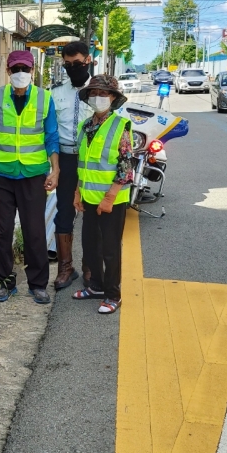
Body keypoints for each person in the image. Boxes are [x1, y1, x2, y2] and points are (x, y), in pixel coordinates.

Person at [0, 49, 60, 305]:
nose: (20, 74)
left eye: (25, 69)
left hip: (33, 173)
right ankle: (4, 282)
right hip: (3, 173)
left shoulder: (44, 98)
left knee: (34, 230)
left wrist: (55, 169)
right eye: (16, 69)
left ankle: (38, 284)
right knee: (3, 231)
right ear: (8, 71)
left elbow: (52, 137)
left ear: (32, 71)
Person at [72, 75, 133, 314]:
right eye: (94, 93)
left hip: (112, 200)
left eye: (104, 94)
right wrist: (77, 191)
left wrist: (109, 198)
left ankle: (113, 295)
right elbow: (83, 163)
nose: (98, 98)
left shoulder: (120, 125)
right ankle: (95, 286)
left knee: (110, 249)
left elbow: (126, 167)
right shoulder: (85, 126)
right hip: (88, 196)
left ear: (114, 98)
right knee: (90, 245)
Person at [51, 41, 94, 290]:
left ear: (88, 60)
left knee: (90, 214)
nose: (72, 68)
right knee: (64, 213)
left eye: (77, 63)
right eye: (67, 65)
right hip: (66, 160)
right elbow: (51, 133)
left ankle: (90, 269)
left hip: (91, 162)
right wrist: (54, 167)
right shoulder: (56, 93)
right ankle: (66, 268)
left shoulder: (100, 91)